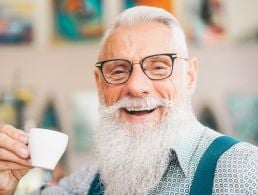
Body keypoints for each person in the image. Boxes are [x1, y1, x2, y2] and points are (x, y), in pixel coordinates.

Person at [0, 6, 257, 195]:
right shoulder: (85, 184)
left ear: (189, 76)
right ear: (100, 84)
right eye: (119, 70)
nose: (135, 86)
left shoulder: (244, 171)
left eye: (158, 67)